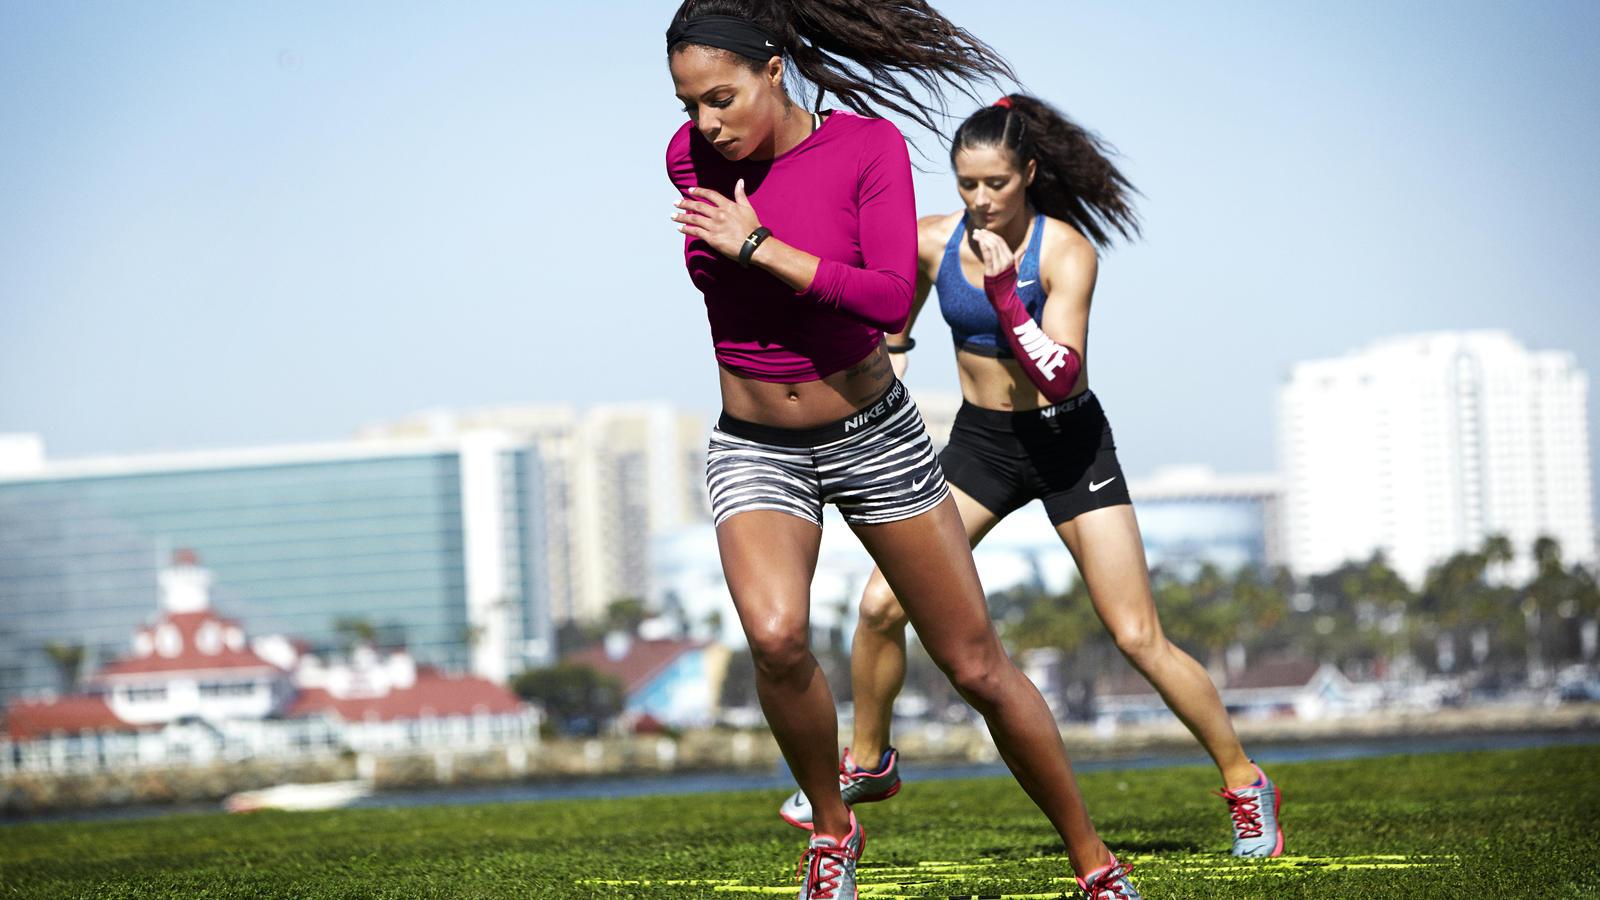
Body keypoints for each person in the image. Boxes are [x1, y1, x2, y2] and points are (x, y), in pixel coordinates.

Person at [665, 3, 1140, 898]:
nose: (705, 125)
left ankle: (1092, 860)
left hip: (874, 436)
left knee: (974, 666)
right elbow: (729, 297)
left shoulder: (864, 149)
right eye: (689, 104)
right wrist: (751, 256)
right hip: (755, 441)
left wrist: (758, 245)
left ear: (775, 72)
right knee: (774, 639)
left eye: (721, 98)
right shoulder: (688, 156)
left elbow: (887, 300)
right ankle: (834, 831)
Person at [776, 94, 1285, 860]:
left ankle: (1246, 784)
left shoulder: (1066, 253)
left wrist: (1005, 294)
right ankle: (870, 764)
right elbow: (893, 326)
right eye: (966, 184)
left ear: (1029, 175)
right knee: (881, 605)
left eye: (995, 184)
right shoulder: (930, 244)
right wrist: (875, 365)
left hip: (1068, 445)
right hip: (982, 446)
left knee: (1137, 635)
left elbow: (1060, 373)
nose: (980, 201)